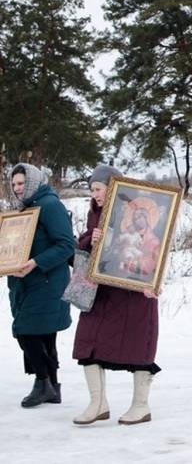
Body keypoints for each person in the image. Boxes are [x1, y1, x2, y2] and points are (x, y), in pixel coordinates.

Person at [73, 164, 162, 425]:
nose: (95, 194)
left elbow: (157, 244)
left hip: (134, 289)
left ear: (112, 186)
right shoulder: (95, 213)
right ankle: (97, 403)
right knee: (88, 339)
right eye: (92, 190)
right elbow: (83, 248)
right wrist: (91, 238)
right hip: (102, 289)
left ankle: (140, 405)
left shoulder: (137, 211)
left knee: (138, 343)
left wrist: (153, 279)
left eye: (98, 188)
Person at [7, 164, 75, 408]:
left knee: (25, 330)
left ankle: (42, 381)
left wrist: (36, 262)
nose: (17, 188)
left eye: (21, 183)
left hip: (47, 282)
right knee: (45, 336)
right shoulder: (24, 209)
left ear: (34, 182)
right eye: (14, 184)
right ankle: (53, 388)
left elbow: (67, 245)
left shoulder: (49, 205)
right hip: (25, 282)